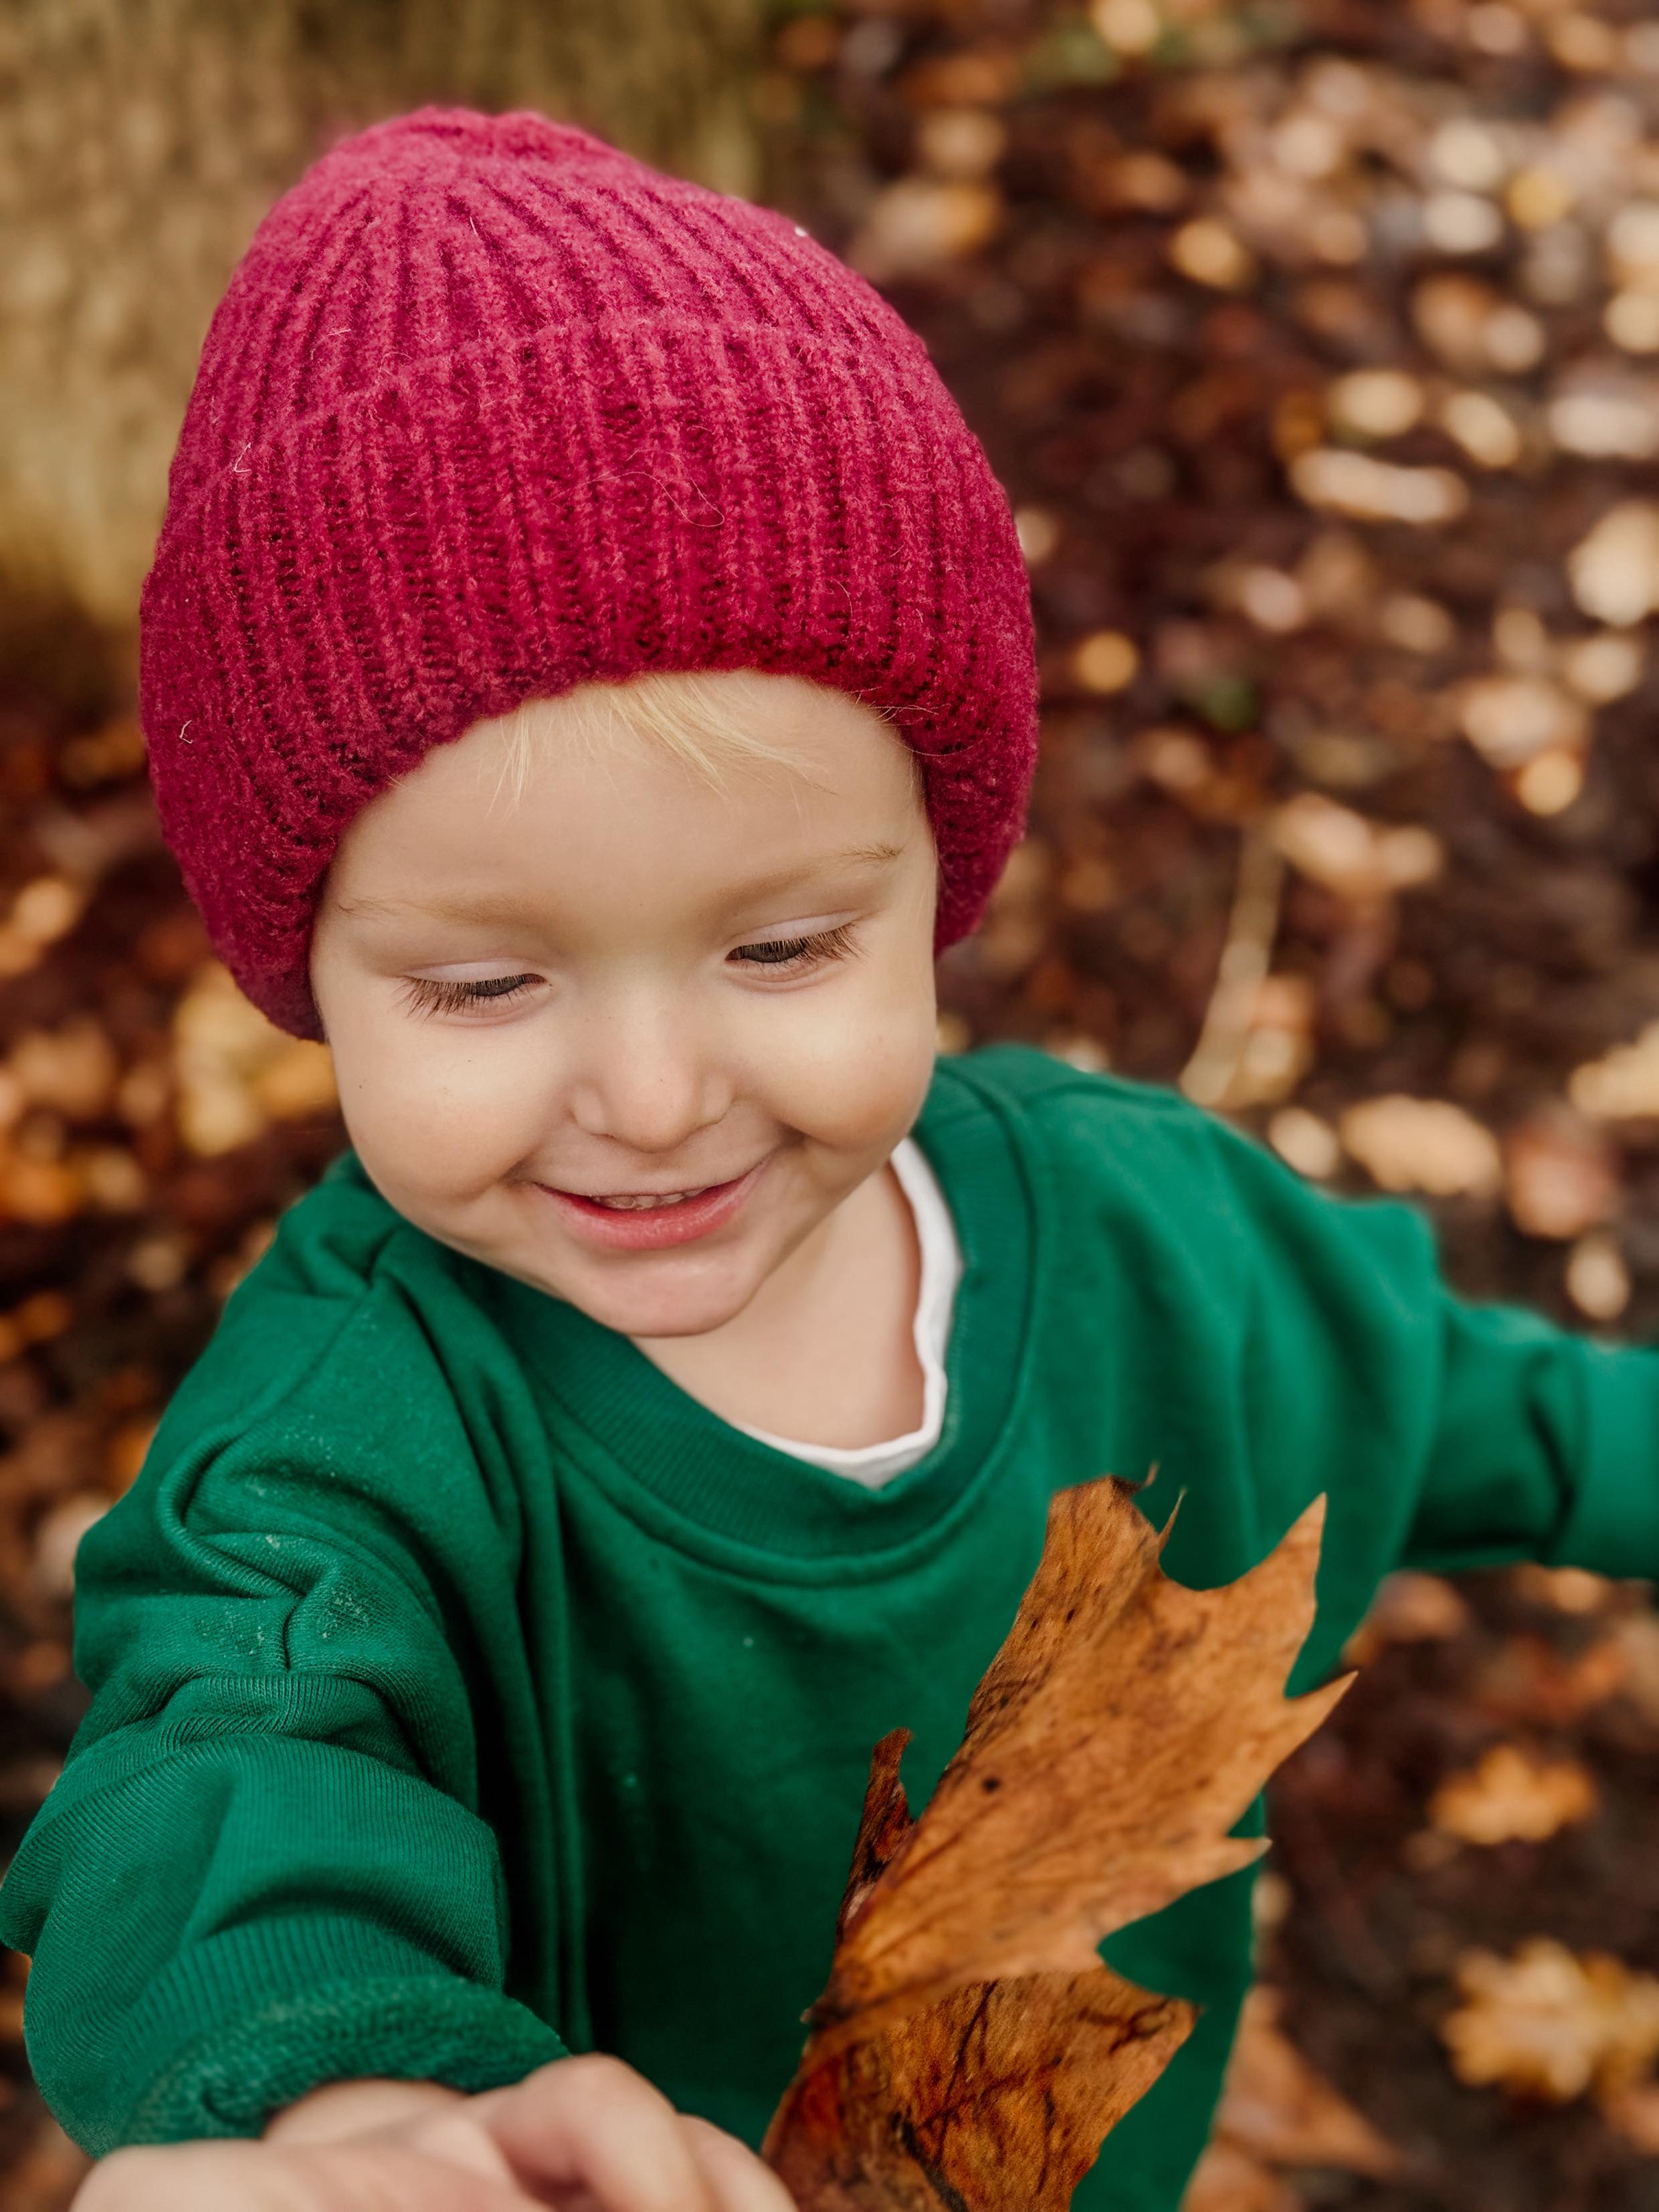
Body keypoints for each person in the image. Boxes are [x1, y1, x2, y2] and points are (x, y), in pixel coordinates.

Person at [4, 102, 1655, 2212]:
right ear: (302, 969)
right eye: (487, 985)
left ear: (938, 885)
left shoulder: (1159, 1235)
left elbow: (1481, 1406)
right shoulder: (345, 1458)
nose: (655, 1093)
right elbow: (220, 1781)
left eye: (780, 948)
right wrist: (351, 2110)